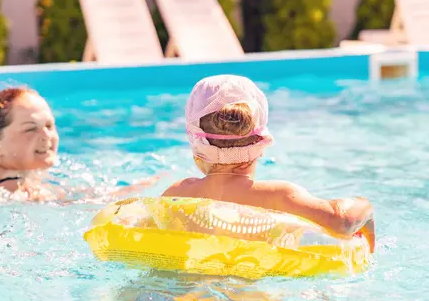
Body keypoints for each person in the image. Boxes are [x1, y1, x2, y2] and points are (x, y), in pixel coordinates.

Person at [161, 75, 376, 252]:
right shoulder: (279, 197)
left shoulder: (177, 194)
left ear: (196, 148)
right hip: (257, 298)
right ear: (260, 146)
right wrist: (364, 208)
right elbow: (343, 221)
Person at [0, 86, 160, 202]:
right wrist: (146, 190)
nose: (46, 135)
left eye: (49, 125)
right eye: (30, 128)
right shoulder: (12, 187)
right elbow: (84, 208)